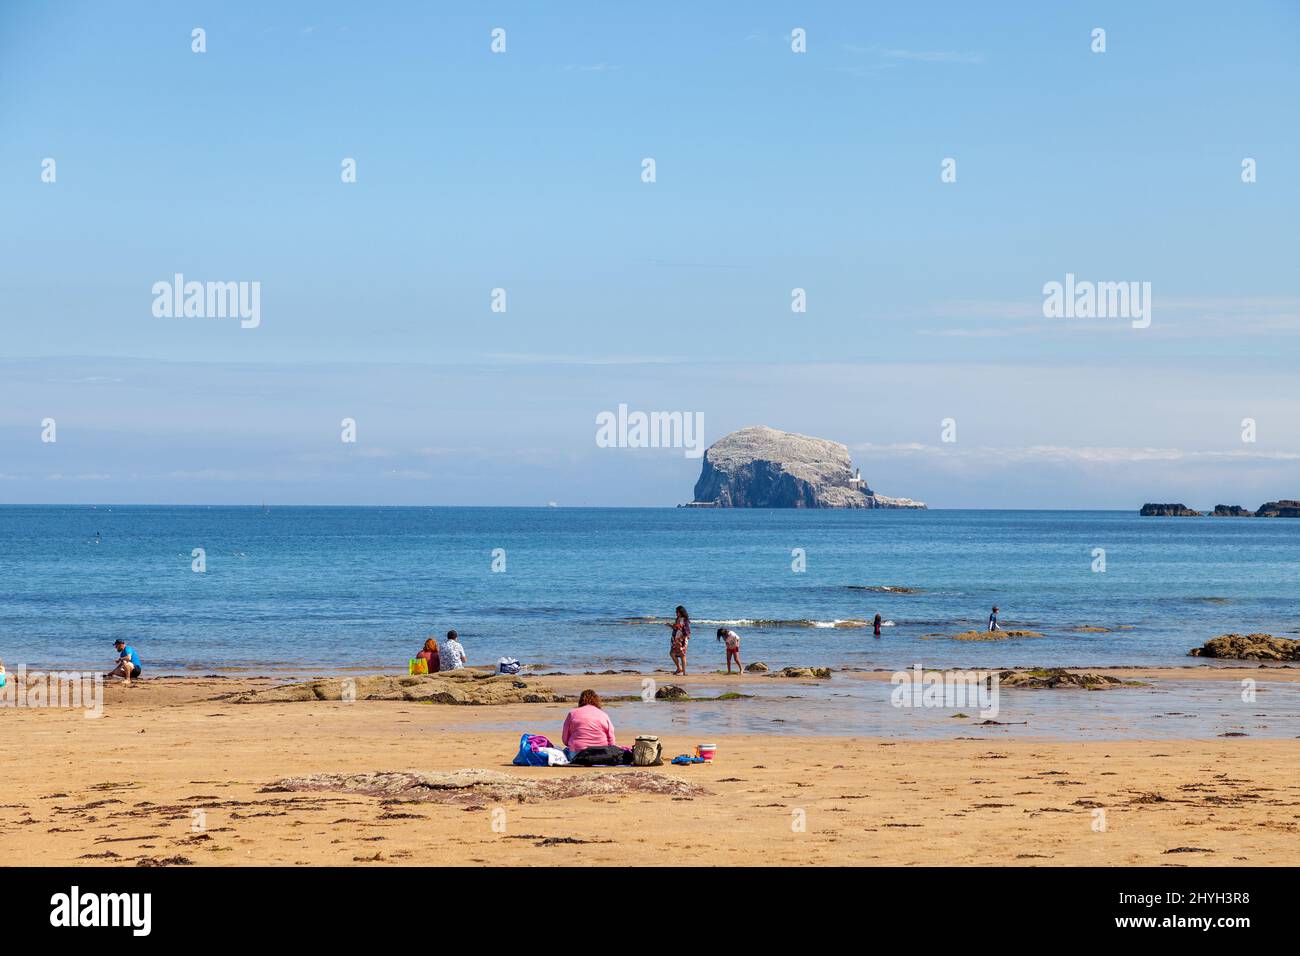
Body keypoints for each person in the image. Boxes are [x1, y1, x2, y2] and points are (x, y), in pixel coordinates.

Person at [562, 689, 616, 754]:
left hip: (577, 752)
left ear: (580, 701)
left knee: (566, 751)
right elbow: (611, 738)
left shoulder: (572, 713)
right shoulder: (603, 715)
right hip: (601, 753)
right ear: (597, 701)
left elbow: (565, 739)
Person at [666, 605, 690, 675]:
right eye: (675, 611)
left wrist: (683, 638)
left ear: (681, 612)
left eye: (677, 611)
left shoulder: (684, 620)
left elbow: (687, 631)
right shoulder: (677, 619)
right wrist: (669, 625)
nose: (676, 613)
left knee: (682, 655)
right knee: (672, 653)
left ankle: (684, 672)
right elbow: (676, 628)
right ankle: (679, 668)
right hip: (676, 639)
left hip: (682, 639)